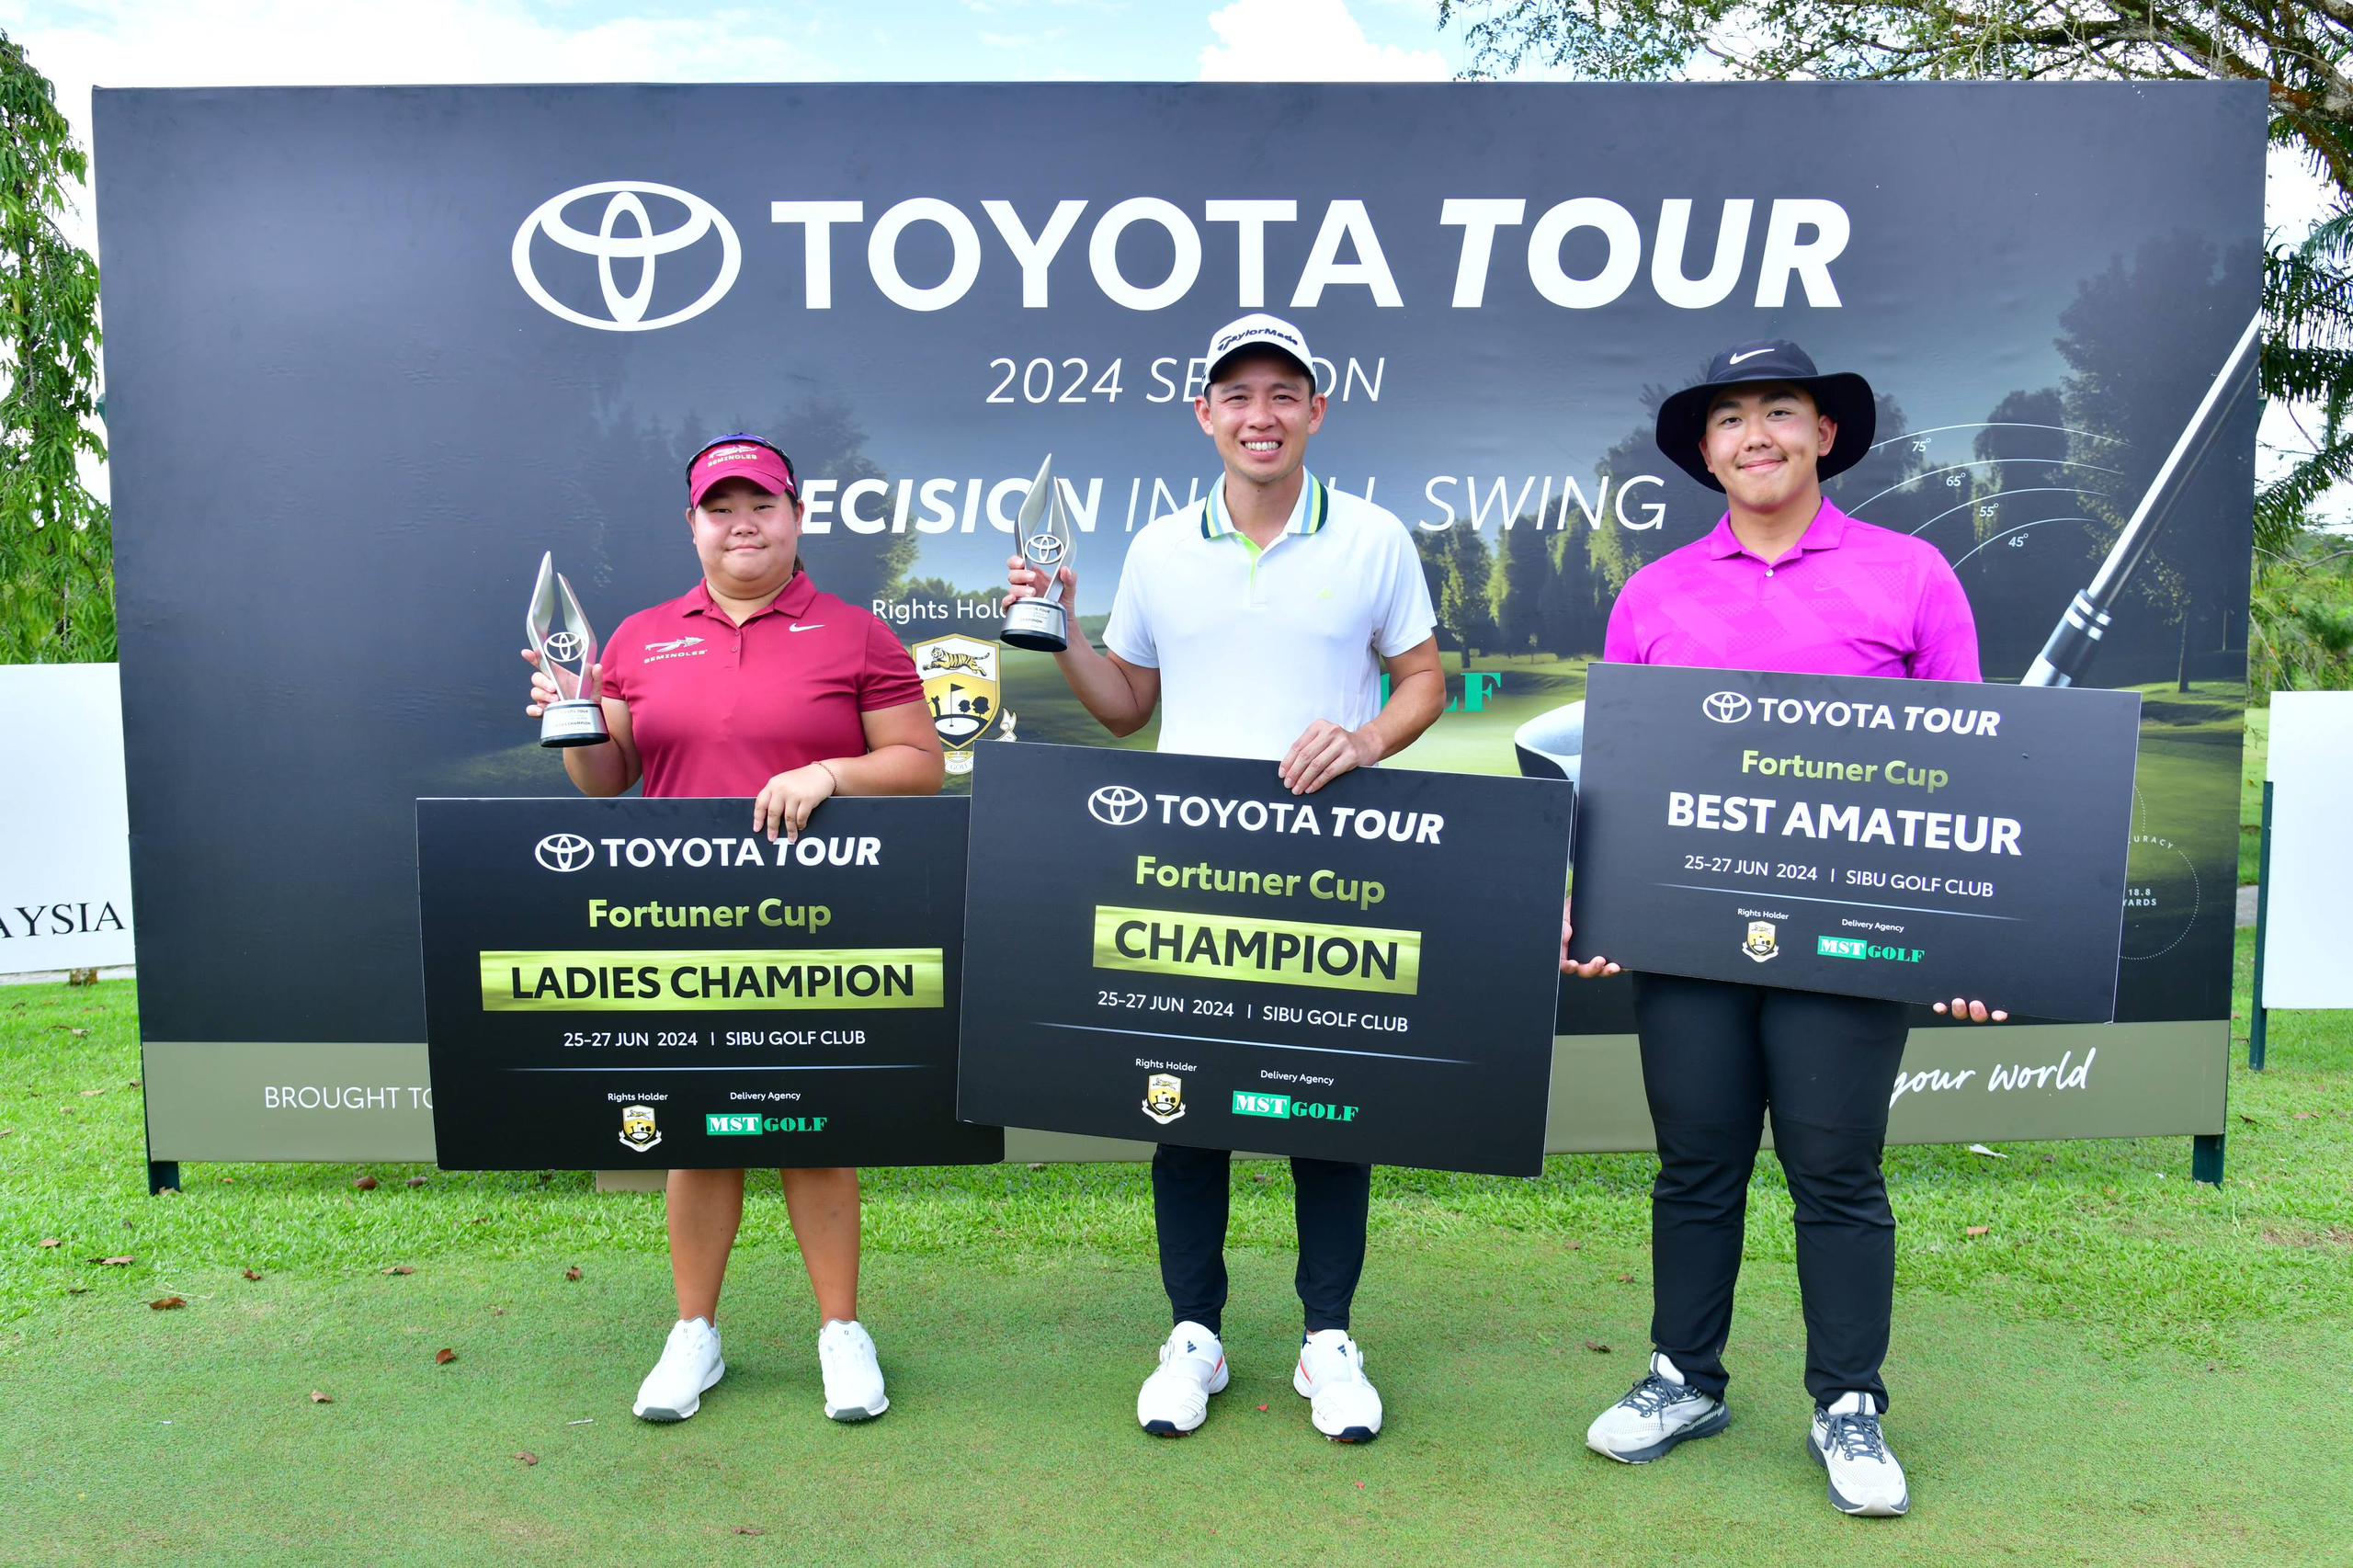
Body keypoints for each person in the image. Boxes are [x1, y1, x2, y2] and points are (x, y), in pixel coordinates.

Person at [1559, 341, 2006, 1518]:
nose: (1754, 435)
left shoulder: (1911, 574)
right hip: (1689, 937)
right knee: (1696, 1163)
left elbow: (1966, 768)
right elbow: (1620, 773)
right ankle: (1682, 1379)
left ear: (1824, 433)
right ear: (1705, 452)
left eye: (1779, 411)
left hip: (1849, 933)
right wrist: (1594, 899)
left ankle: (1847, 1400)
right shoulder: (1654, 593)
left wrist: (1962, 939)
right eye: (1730, 420)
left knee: (1835, 1169)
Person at [1003, 313, 1444, 1443]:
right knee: (1183, 1107)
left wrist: (1364, 740)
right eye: (1237, 395)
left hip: (1329, 868)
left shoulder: (1374, 537)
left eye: (1283, 393)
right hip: (1189, 870)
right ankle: (1193, 1332)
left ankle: (1327, 1337)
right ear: (1204, 413)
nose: (1261, 415)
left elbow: (1422, 680)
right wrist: (1061, 628)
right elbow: (1126, 706)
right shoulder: (1159, 549)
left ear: (1316, 411)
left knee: (1325, 1103)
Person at [524, 434, 944, 1425]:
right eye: (721, 508)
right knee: (697, 1128)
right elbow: (606, 779)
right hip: (683, 921)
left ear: (796, 517)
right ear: (693, 525)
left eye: (761, 505)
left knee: (814, 1123)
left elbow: (921, 764)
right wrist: (578, 715)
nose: (741, 524)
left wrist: (828, 772)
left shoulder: (856, 634)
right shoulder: (638, 638)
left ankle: (840, 1330)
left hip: (819, 919)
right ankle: (694, 1333)